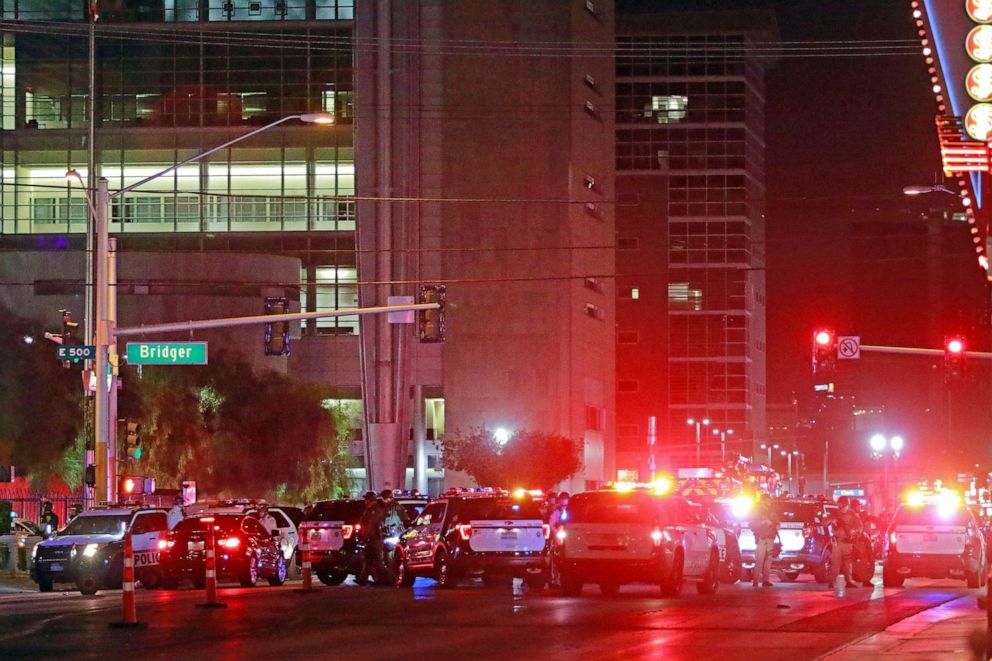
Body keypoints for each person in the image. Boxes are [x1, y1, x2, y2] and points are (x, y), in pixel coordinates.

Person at [826, 496, 863, 590]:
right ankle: (832, 581)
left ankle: (849, 581)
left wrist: (853, 532)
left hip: (848, 542)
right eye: (839, 504)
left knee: (848, 563)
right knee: (835, 563)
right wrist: (831, 520)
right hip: (837, 542)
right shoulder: (835, 514)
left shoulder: (852, 514)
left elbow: (860, 527)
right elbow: (824, 522)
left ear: (846, 504)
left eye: (842, 504)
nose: (840, 506)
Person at [357, 491, 386, 585]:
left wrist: (366, 537)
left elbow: (371, 525)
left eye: (366, 499)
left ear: (370, 500)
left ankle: (381, 580)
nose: (365, 501)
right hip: (371, 538)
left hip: (374, 538)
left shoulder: (375, 510)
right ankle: (363, 578)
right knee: (368, 559)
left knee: (376, 559)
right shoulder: (370, 509)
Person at [751, 493, 778, 588]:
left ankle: (766, 580)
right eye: (768, 500)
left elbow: (776, 522)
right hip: (762, 538)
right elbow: (752, 524)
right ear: (763, 501)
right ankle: (755, 580)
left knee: (768, 561)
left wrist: (777, 525)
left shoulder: (772, 511)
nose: (770, 502)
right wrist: (763, 522)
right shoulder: (757, 512)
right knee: (760, 560)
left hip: (770, 538)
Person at [849, 499, 875, 587]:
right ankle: (853, 579)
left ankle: (865, 579)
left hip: (862, 540)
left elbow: (869, 521)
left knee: (867, 559)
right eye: (857, 506)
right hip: (854, 541)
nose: (859, 507)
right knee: (855, 561)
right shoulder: (850, 515)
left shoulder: (861, 515)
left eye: (859, 506)